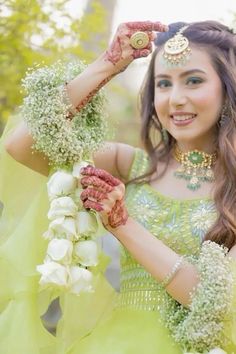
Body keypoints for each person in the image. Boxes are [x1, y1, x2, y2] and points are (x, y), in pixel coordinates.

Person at [1, 19, 236, 354]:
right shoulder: (131, 166)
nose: (176, 99)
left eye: (194, 81)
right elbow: (21, 145)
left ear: (228, 88)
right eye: (163, 85)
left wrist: (123, 225)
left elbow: (215, 302)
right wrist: (107, 65)